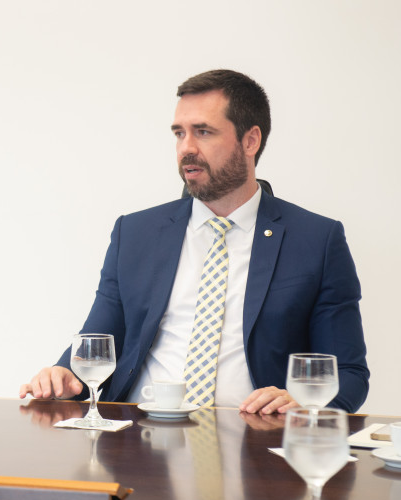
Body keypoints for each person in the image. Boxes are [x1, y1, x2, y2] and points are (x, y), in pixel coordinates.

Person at [20, 69, 368, 414]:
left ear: (250, 141)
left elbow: (349, 375)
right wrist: (64, 375)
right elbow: (97, 343)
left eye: (203, 132)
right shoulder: (135, 233)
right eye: (179, 133)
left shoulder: (316, 240)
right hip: (138, 439)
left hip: (256, 441)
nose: (186, 148)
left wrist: (303, 402)